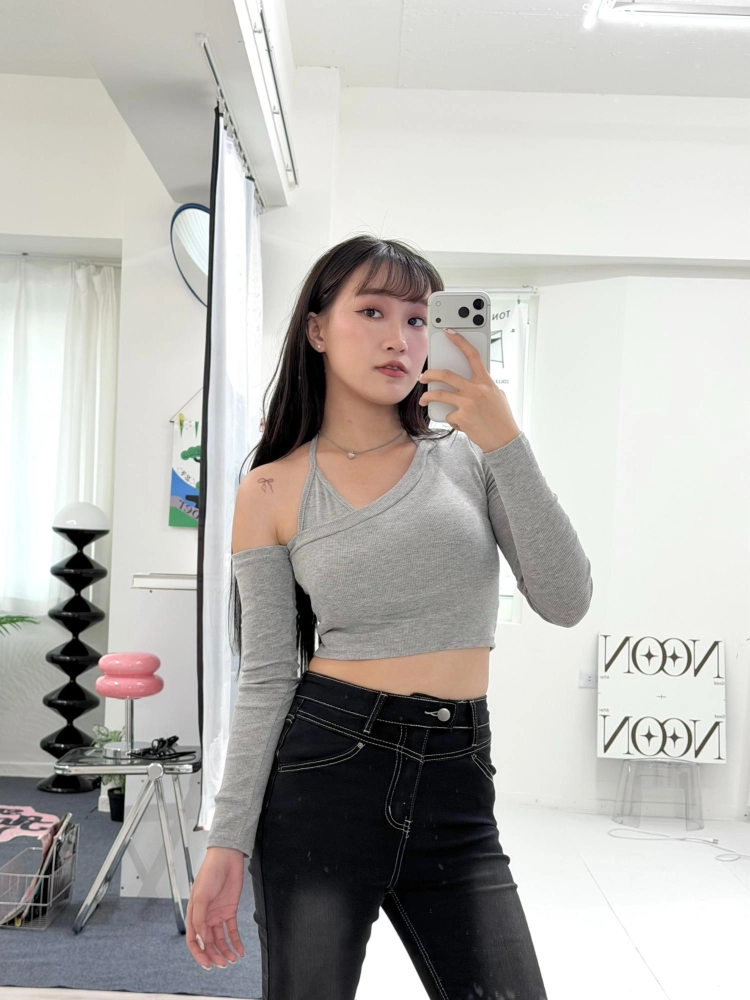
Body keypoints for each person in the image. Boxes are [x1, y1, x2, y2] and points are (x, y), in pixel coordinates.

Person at [186, 234, 593, 999]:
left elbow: (566, 599)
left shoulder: (470, 459)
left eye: (416, 319)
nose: (399, 338)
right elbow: (267, 674)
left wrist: (505, 439)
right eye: (372, 311)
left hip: (457, 778)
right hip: (326, 771)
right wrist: (227, 840)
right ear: (317, 328)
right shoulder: (270, 488)